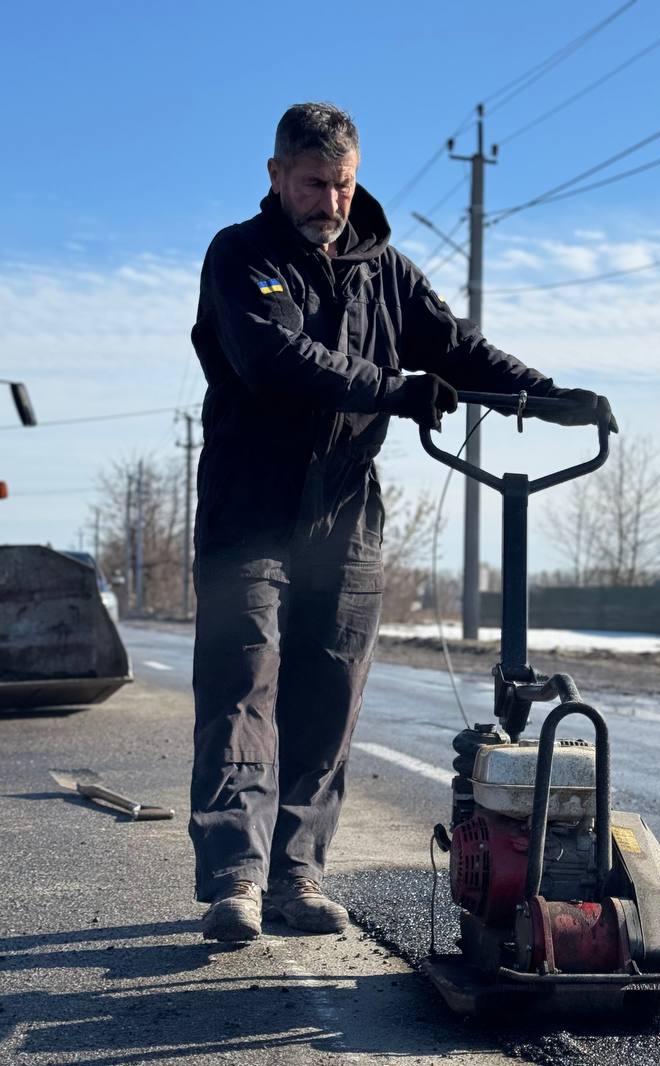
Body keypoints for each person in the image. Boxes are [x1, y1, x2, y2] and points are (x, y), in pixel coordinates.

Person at [190, 102, 616, 942]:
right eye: (313, 183)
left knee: (329, 695)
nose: (330, 201)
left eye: (343, 184)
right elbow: (275, 360)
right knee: (244, 691)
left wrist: (546, 395)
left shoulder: (384, 268)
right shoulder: (242, 257)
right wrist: (396, 390)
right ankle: (236, 879)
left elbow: (451, 345)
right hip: (251, 511)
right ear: (277, 175)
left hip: (346, 513)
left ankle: (297, 874)